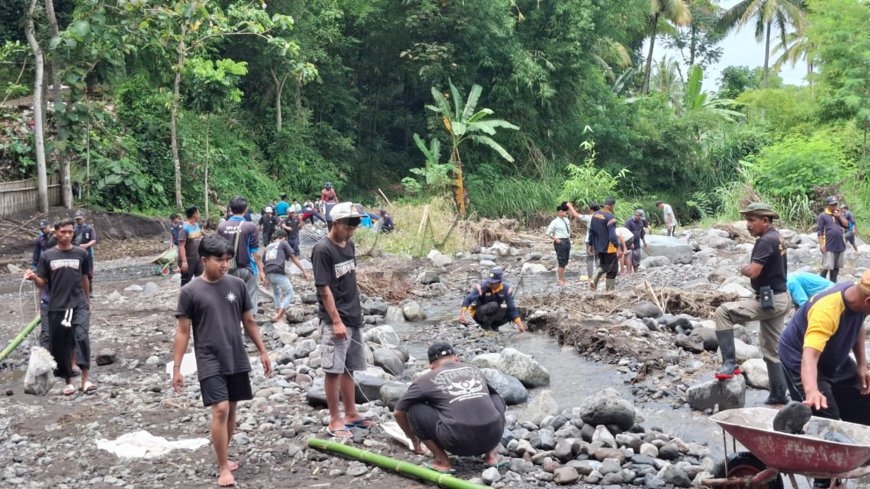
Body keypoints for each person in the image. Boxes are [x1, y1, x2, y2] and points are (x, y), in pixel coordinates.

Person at [172, 235, 272, 488]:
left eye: (227, 259)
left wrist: (262, 350)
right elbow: (183, 331)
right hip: (208, 357)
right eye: (219, 260)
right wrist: (177, 368)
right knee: (221, 408)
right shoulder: (190, 291)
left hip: (235, 354)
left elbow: (249, 321)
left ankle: (223, 454)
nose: (225, 264)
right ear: (204, 260)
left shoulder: (236, 285)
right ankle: (223, 466)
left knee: (233, 409)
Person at [778, 271, 870, 488]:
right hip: (800, 358)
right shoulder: (827, 309)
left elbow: (858, 325)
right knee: (826, 418)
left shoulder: (859, 301)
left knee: (864, 399)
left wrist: (861, 365)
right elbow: (809, 355)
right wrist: (812, 390)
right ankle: (823, 478)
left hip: (832, 356)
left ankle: (854, 455)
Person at [713, 203, 790, 405]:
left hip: (771, 300)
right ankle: (779, 394)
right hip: (780, 297)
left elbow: (754, 271)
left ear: (765, 221)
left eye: (752, 220)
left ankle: (729, 363)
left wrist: (743, 268)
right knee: (771, 350)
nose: (748, 225)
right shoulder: (777, 236)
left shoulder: (765, 241)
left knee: (723, 313)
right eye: (747, 220)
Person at [393, 342, 507, 474]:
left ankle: (442, 461)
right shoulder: (474, 370)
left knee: (414, 408)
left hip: (457, 443)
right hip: (492, 437)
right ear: (456, 358)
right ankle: (492, 455)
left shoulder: (425, 380)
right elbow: (491, 397)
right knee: (496, 398)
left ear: (431, 366)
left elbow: (398, 412)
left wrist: (412, 438)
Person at [311, 202, 374, 438]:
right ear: (335, 223)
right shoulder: (323, 249)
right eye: (349, 225)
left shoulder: (349, 245)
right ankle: (334, 419)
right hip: (335, 319)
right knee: (333, 370)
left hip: (353, 315)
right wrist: (335, 321)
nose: (352, 230)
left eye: (355, 225)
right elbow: (324, 288)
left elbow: (350, 280)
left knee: (350, 368)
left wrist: (356, 314)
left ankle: (351, 413)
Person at [23, 218, 94, 396]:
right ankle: (68, 381)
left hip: (78, 304)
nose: (67, 235)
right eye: (63, 232)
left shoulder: (81, 254)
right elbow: (43, 283)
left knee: (81, 336)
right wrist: (33, 278)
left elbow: (85, 278)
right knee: (61, 344)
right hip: (57, 306)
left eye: (70, 232)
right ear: (56, 232)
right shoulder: (47, 256)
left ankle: (86, 379)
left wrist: (87, 301)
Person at [217, 196, 265, 316]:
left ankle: (232, 325)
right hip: (247, 268)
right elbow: (256, 252)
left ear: (231, 209)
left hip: (227, 269)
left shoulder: (221, 227)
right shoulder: (250, 226)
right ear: (246, 209)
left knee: (230, 297)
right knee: (250, 296)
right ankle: (250, 328)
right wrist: (261, 270)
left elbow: (216, 249)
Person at [457, 268, 527, 333]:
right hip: (478, 314)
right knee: (494, 305)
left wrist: (520, 326)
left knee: (515, 312)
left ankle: (494, 326)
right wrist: (462, 314)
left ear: (499, 282)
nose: (490, 284)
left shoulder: (506, 289)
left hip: (493, 313)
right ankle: (485, 326)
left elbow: (512, 309)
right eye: (490, 281)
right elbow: (468, 298)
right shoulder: (483, 286)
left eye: (493, 282)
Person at [263, 230, 309, 323]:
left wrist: (265, 277)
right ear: (284, 238)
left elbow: (264, 262)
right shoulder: (283, 243)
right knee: (290, 293)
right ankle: (279, 316)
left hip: (268, 272)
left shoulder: (268, 247)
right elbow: (293, 258)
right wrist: (304, 271)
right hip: (277, 270)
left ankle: (278, 315)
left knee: (276, 293)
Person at [588, 197, 621, 291]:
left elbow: (591, 231)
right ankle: (609, 291)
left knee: (603, 265)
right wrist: (617, 247)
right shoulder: (610, 217)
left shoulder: (595, 214)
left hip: (598, 247)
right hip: (609, 248)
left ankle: (594, 279)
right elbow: (612, 235)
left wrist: (591, 244)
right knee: (612, 269)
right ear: (612, 206)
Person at [817, 196, 849, 282]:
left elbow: (846, 225)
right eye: (832, 205)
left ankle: (833, 284)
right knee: (826, 267)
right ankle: (820, 284)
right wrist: (821, 245)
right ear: (828, 205)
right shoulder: (822, 216)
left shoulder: (838, 215)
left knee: (836, 267)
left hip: (839, 245)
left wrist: (839, 217)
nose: (834, 206)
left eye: (836, 204)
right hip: (828, 245)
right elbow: (819, 232)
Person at [546, 203, 572, 286]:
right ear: (558, 213)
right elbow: (548, 233)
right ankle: (561, 280)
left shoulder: (566, 220)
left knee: (565, 260)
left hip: (567, 240)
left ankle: (563, 279)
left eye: (564, 212)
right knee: (561, 261)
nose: (563, 213)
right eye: (561, 212)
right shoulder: (555, 222)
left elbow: (568, 231)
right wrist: (556, 239)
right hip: (560, 241)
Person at [178, 206, 204, 287]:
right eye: (198, 213)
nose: (199, 215)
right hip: (188, 259)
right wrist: (184, 261)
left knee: (201, 278)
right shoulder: (184, 228)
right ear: (194, 215)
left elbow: (199, 238)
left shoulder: (196, 225)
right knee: (186, 280)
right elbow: (181, 246)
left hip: (198, 257)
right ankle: (184, 297)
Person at [73, 210, 98, 282]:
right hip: (76, 252)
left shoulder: (89, 228)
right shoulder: (73, 229)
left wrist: (86, 245)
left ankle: (89, 289)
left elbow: (93, 240)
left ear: (84, 218)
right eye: (77, 219)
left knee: (88, 272)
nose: (78, 220)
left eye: (79, 219)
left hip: (87, 252)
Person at [623, 209, 649, 274]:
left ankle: (636, 272)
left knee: (637, 257)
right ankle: (629, 272)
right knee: (629, 256)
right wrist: (630, 243)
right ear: (636, 215)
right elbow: (625, 232)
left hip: (637, 242)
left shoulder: (641, 222)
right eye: (639, 217)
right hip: (629, 242)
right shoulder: (629, 222)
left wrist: (644, 242)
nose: (640, 219)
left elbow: (641, 233)